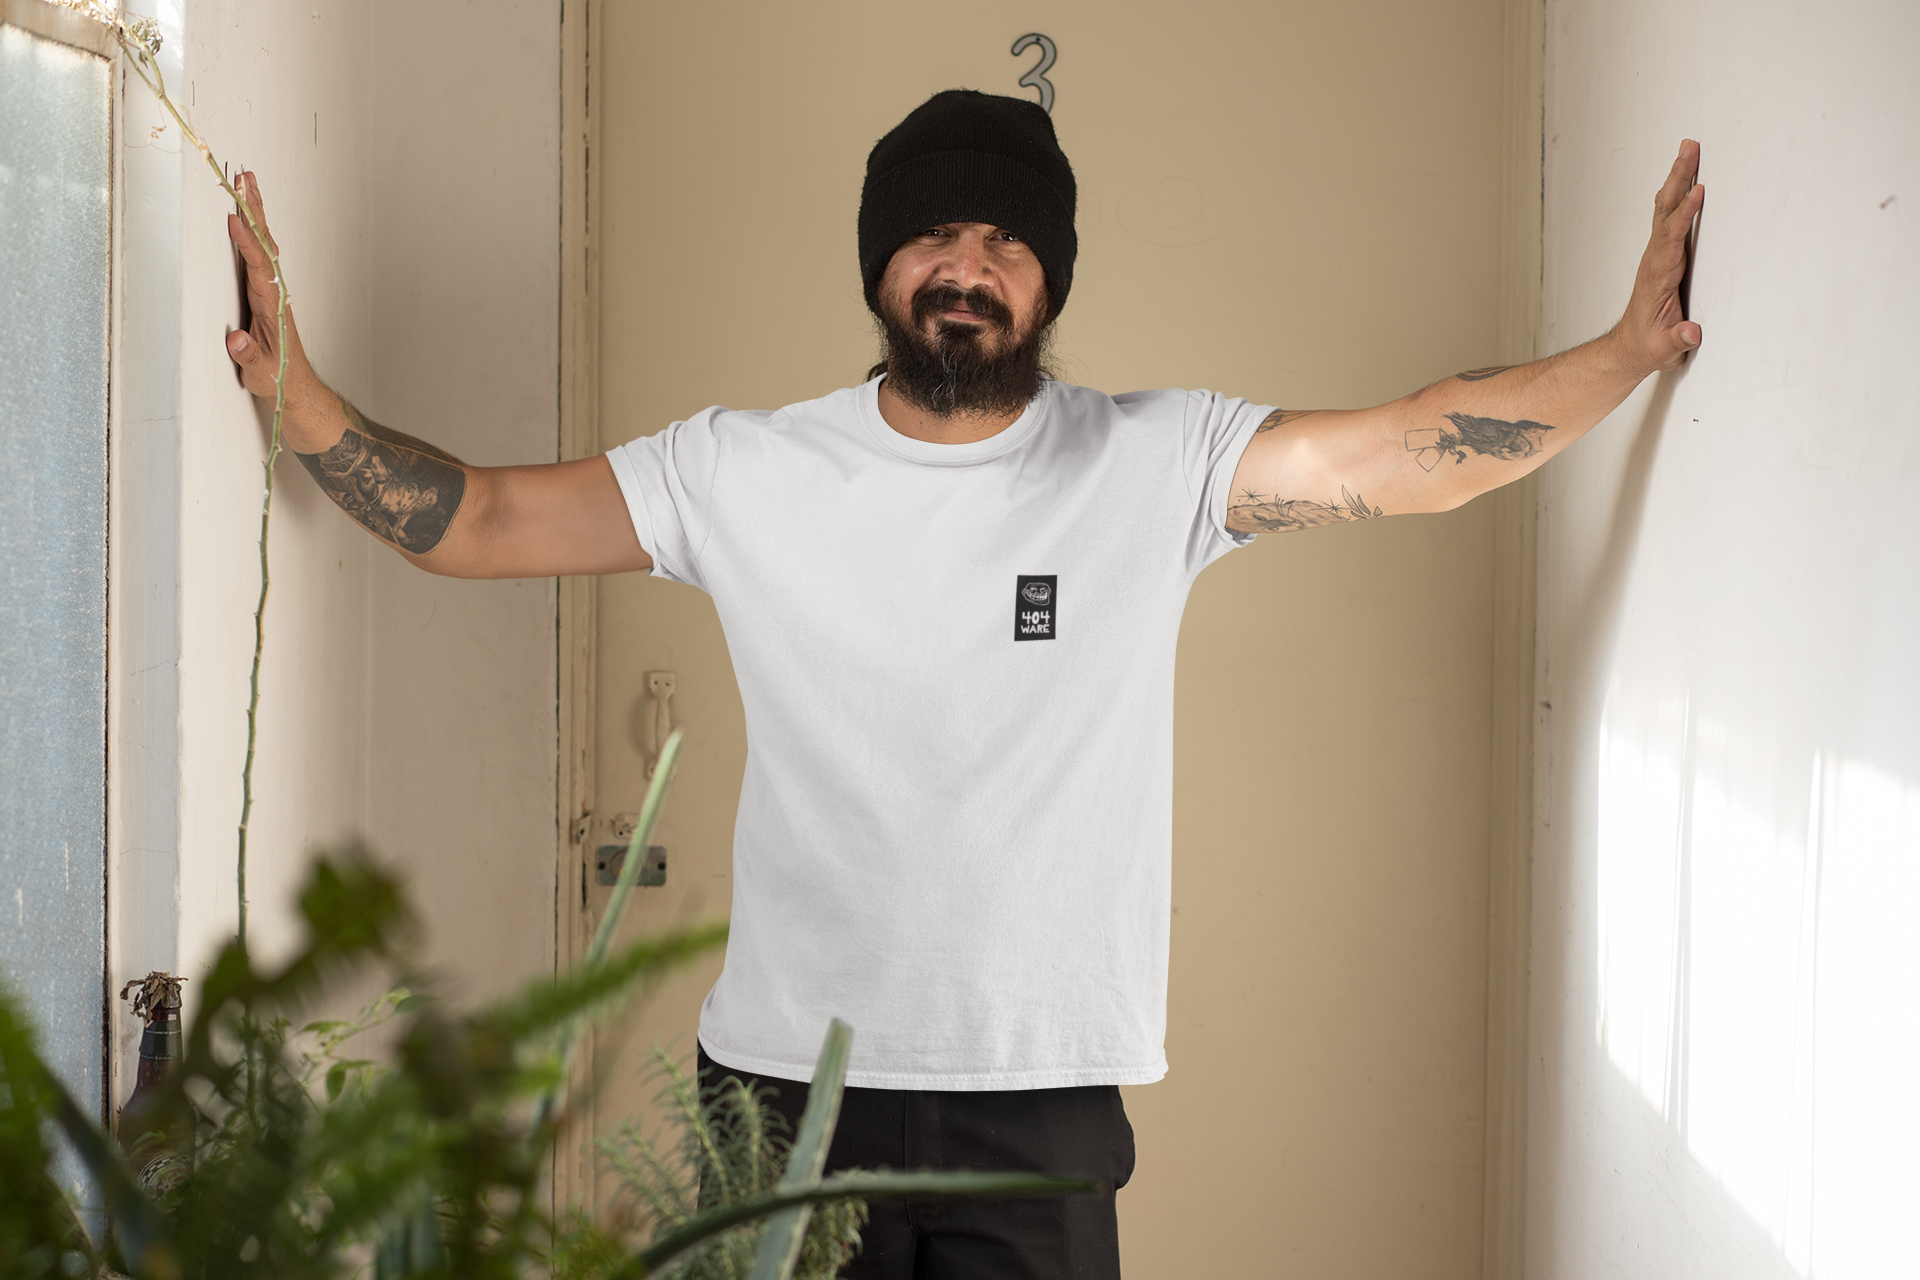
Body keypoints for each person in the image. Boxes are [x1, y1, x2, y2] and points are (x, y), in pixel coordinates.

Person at [224, 89, 1703, 1280]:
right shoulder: (745, 469)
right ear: (880, 263)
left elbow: (1408, 451)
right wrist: (300, 403)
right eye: (933, 232)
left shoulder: (1157, 462)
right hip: (786, 1091)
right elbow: (481, 520)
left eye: (1005, 239)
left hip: (1040, 1093)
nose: (967, 266)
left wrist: (1630, 354)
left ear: (1050, 272)